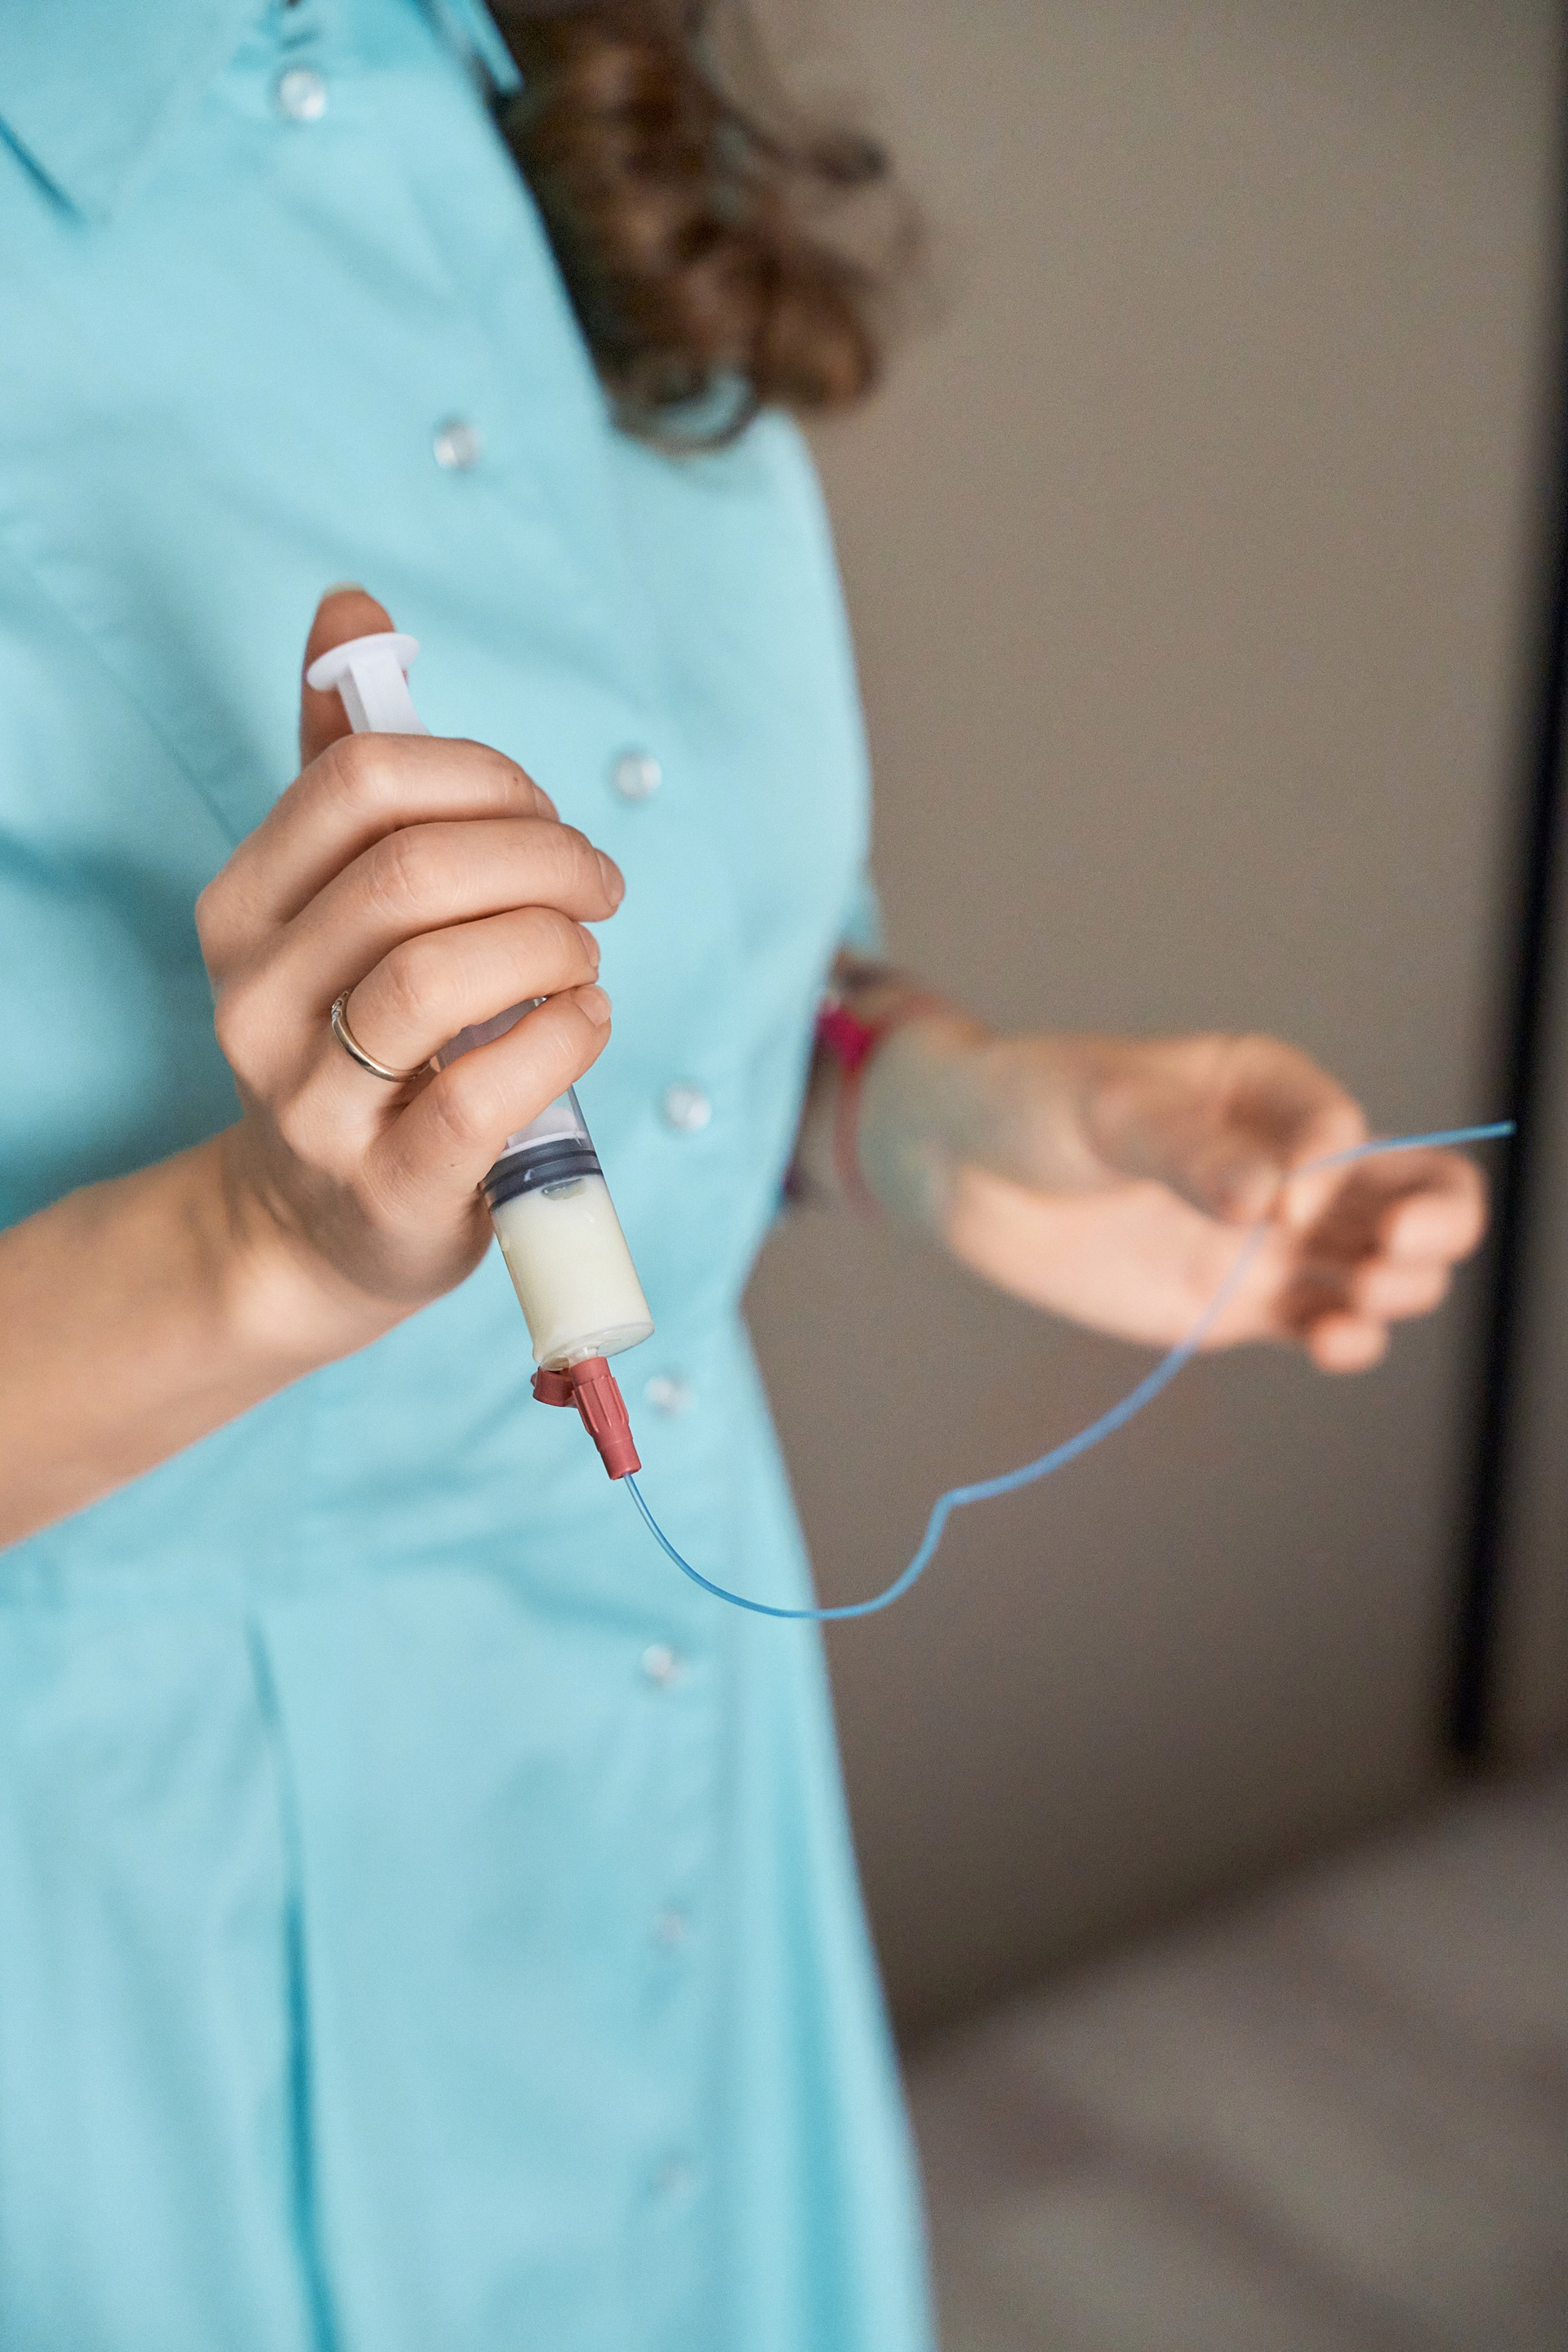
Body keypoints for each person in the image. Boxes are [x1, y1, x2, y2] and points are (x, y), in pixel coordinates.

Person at [0, 2, 1486, 2346]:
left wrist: (915, 1101)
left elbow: (654, 983)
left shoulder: (536, 70)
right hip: (123, 1984)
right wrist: (256, 1250)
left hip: (682, 1856)